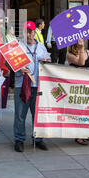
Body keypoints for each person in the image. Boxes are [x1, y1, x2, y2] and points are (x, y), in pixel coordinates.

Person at [14, 21, 51, 152]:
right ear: (24, 33)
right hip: (21, 85)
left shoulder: (41, 47)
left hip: (38, 85)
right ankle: (19, 139)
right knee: (20, 114)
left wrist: (46, 61)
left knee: (37, 114)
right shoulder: (18, 47)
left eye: (31, 31)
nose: (29, 34)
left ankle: (38, 138)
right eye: (27, 32)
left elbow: (48, 62)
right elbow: (10, 64)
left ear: (35, 32)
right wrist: (18, 69)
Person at [67, 38, 89, 146]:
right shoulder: (69, 54)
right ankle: (79, 135)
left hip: (88, 85)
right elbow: (81, 62)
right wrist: (81, 48)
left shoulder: (88, 52)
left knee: (88, 109)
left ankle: (87, 132)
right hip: (76, 86)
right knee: (79, 110)